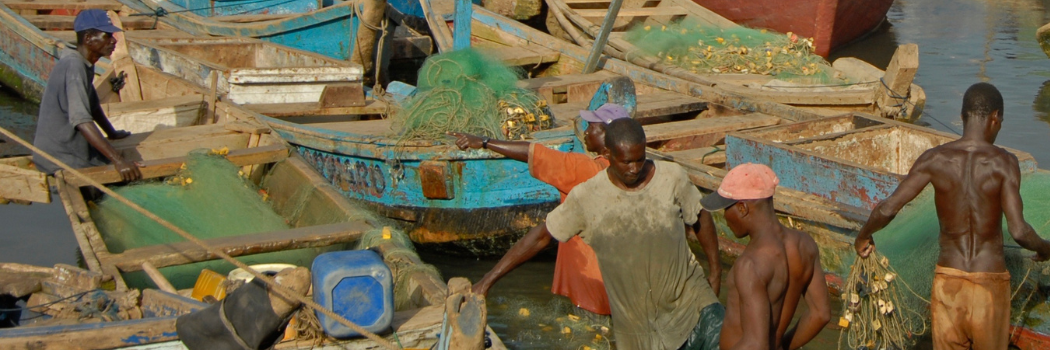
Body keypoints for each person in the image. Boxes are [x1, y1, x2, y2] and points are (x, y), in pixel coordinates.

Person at [853, 82, 1050, 350]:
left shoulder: (934, 159)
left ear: (962, 116)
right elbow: (1019, 231)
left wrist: (864, 235)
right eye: (1000, 122)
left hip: (948, 283)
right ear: (995, 118)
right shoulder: (1004, 163)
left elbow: (888, 208)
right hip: (988, 286)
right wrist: (1045, 248)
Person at [525, 117, 721, 350]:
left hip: (690, 302)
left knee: (722, 333)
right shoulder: (588, 196)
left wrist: (716, 270)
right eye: (627, 162)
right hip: (637, 327)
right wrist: (487, 281)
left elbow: (699, 215)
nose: (635, 169)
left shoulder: (672, 177)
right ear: (608, 154)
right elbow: (542, 235)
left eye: (640, 160)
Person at [449, 103, 636, 316]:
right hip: (626, 292)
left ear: (607, 136)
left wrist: (484, 142)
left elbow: (533, 153)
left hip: (593, 292)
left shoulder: (584, 169)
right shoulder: (633, 171)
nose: (585, 131)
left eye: (591, 127)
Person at [700, 163, 830, 350]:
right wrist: (781, 345)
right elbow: (820, 313)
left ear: (742, 208)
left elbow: (755, 344)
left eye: (725, 209)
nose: (725, 218)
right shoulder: (805, 244)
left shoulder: (750, 264)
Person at [32, 9, 141, 182]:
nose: (114, 41)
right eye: (107, 36)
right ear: (89, 38)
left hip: (69, 149)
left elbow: (93, 106)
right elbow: (82, 120)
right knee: (129, 177)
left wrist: (111, 133)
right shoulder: (74, 66)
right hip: (59, 157)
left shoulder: (83, 62)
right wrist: (119, 161)